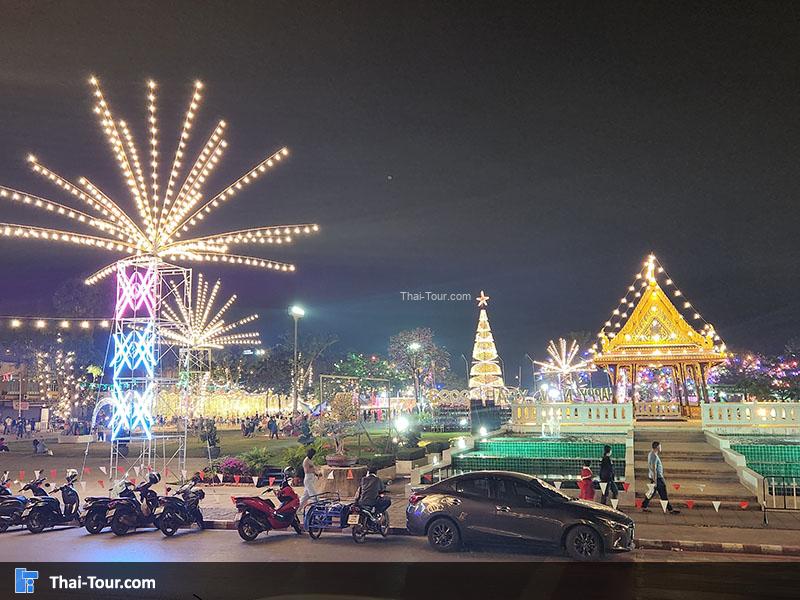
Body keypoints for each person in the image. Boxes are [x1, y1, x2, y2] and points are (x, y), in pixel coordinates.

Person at [641, 441, 680, 514]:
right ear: (657, 447)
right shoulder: (654, 456)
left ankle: (644, 505)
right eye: (660, 446)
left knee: (652, 492)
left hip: (655, 477)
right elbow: (654, 468)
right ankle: (670, 509)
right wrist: (655, 480)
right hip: (658, 478)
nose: (661, 448)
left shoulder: (651, 454)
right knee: (663, 493)